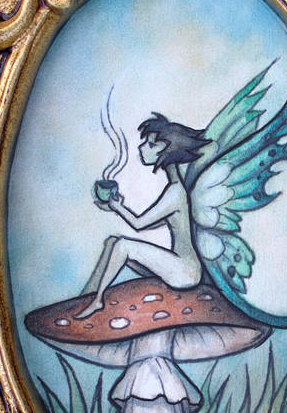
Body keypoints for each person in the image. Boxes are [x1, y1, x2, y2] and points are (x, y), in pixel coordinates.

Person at [74, 115, 210, 319]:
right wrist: (118, 208)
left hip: (184, 272)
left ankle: (97, 301)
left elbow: (139, 224)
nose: (142, 147)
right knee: (112, 243)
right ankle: (86, 296)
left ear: (166, 151)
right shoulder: (175, 189)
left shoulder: (175, 192)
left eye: (151, 144)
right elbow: (154, 223)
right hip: (178, 268)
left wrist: (116, 206)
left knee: (123, 246)